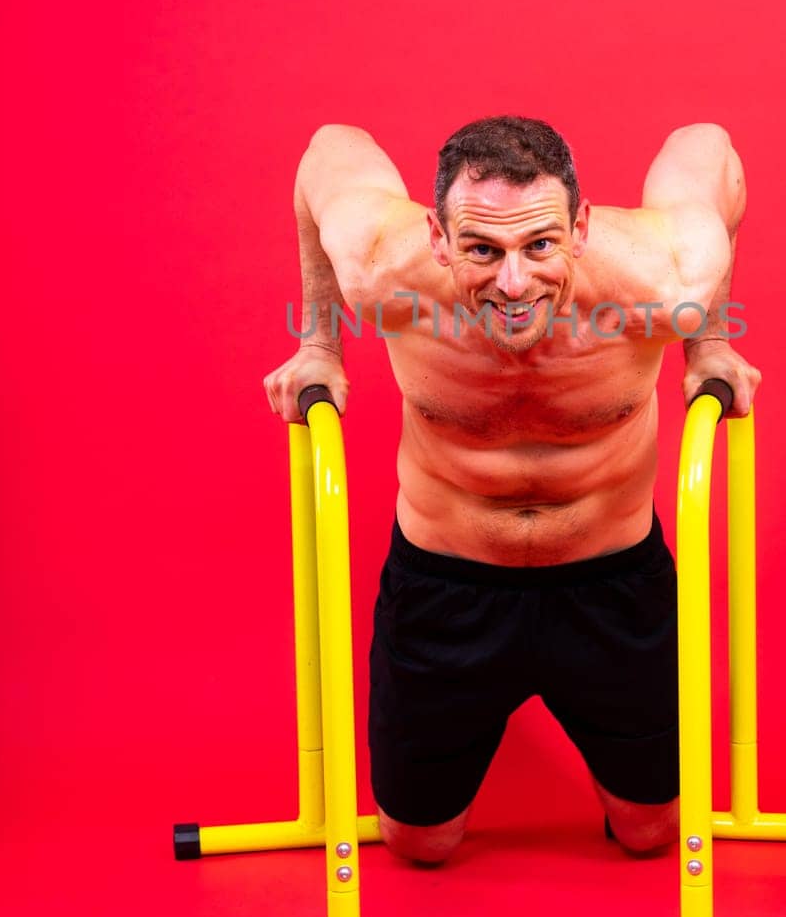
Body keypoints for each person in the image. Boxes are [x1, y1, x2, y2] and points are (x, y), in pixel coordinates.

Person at [263, 117, 760, 864]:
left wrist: (710, 342)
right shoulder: (381, 268)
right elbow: (325, 149)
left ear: (581, 226)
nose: (515, 283)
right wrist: (319, 346)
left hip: (613, 586)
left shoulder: (663, 276)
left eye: (540, 245)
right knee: (417, 845)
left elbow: (709, 148)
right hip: (446, 587)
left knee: (654, 834)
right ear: (437, 238)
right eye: (482, 251)